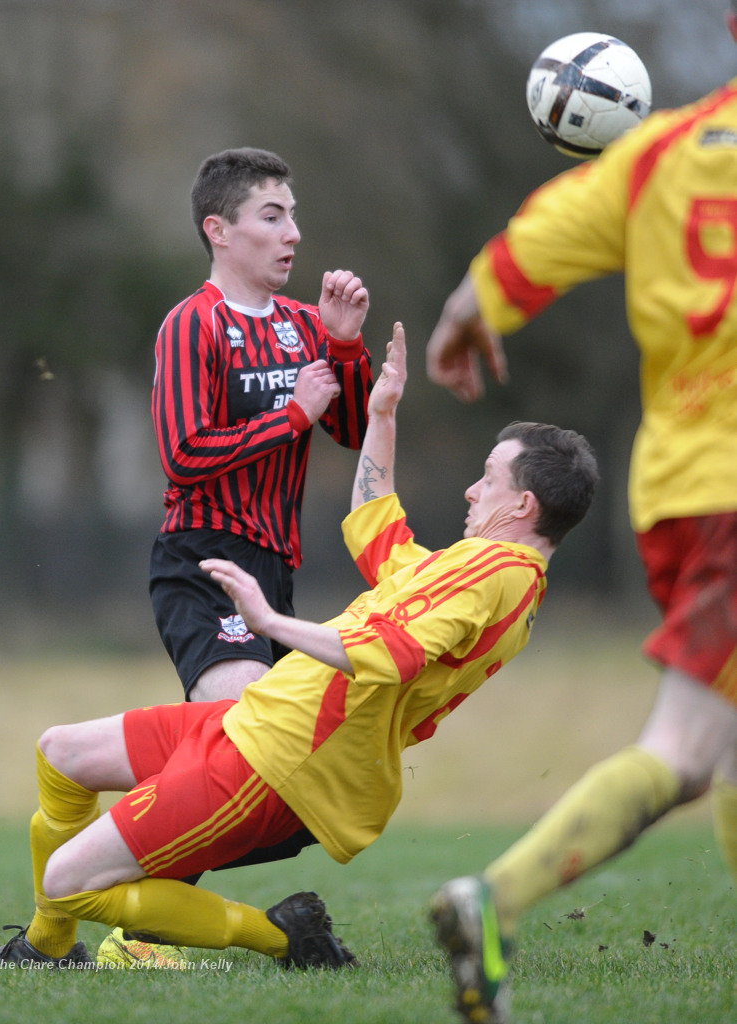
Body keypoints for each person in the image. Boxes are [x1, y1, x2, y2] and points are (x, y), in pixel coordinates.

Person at [0, 324, 598, 972]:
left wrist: (267, 619)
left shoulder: (494, 571)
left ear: (523, 503)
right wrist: (382, 413)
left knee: (71, 880)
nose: (471, 489)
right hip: (262, 721)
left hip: (284, 756)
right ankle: (47, 948)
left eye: (487, 479)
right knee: (62, 753)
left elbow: (389, 651)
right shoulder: (490, 576)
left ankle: (283, 937)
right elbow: (377, 528)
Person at [426, 9, 737, 1023]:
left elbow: (516, 258)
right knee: (688, 746)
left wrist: (461, 321)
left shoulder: (655, 157)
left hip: (676, 492)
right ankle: (496, 899)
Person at [150, 146, 373, 705]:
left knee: (278, 753)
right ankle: (78, 764)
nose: (292, 234)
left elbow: (353, 432)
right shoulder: (190, 324)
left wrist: (345, 343)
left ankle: (89, 762)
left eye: (292, 216)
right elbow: (184, 454)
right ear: (218, 230)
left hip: (274, 567)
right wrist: (291, 416)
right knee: (241, 725)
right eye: (272, 217)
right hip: (205, 561)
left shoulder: (305, 324)